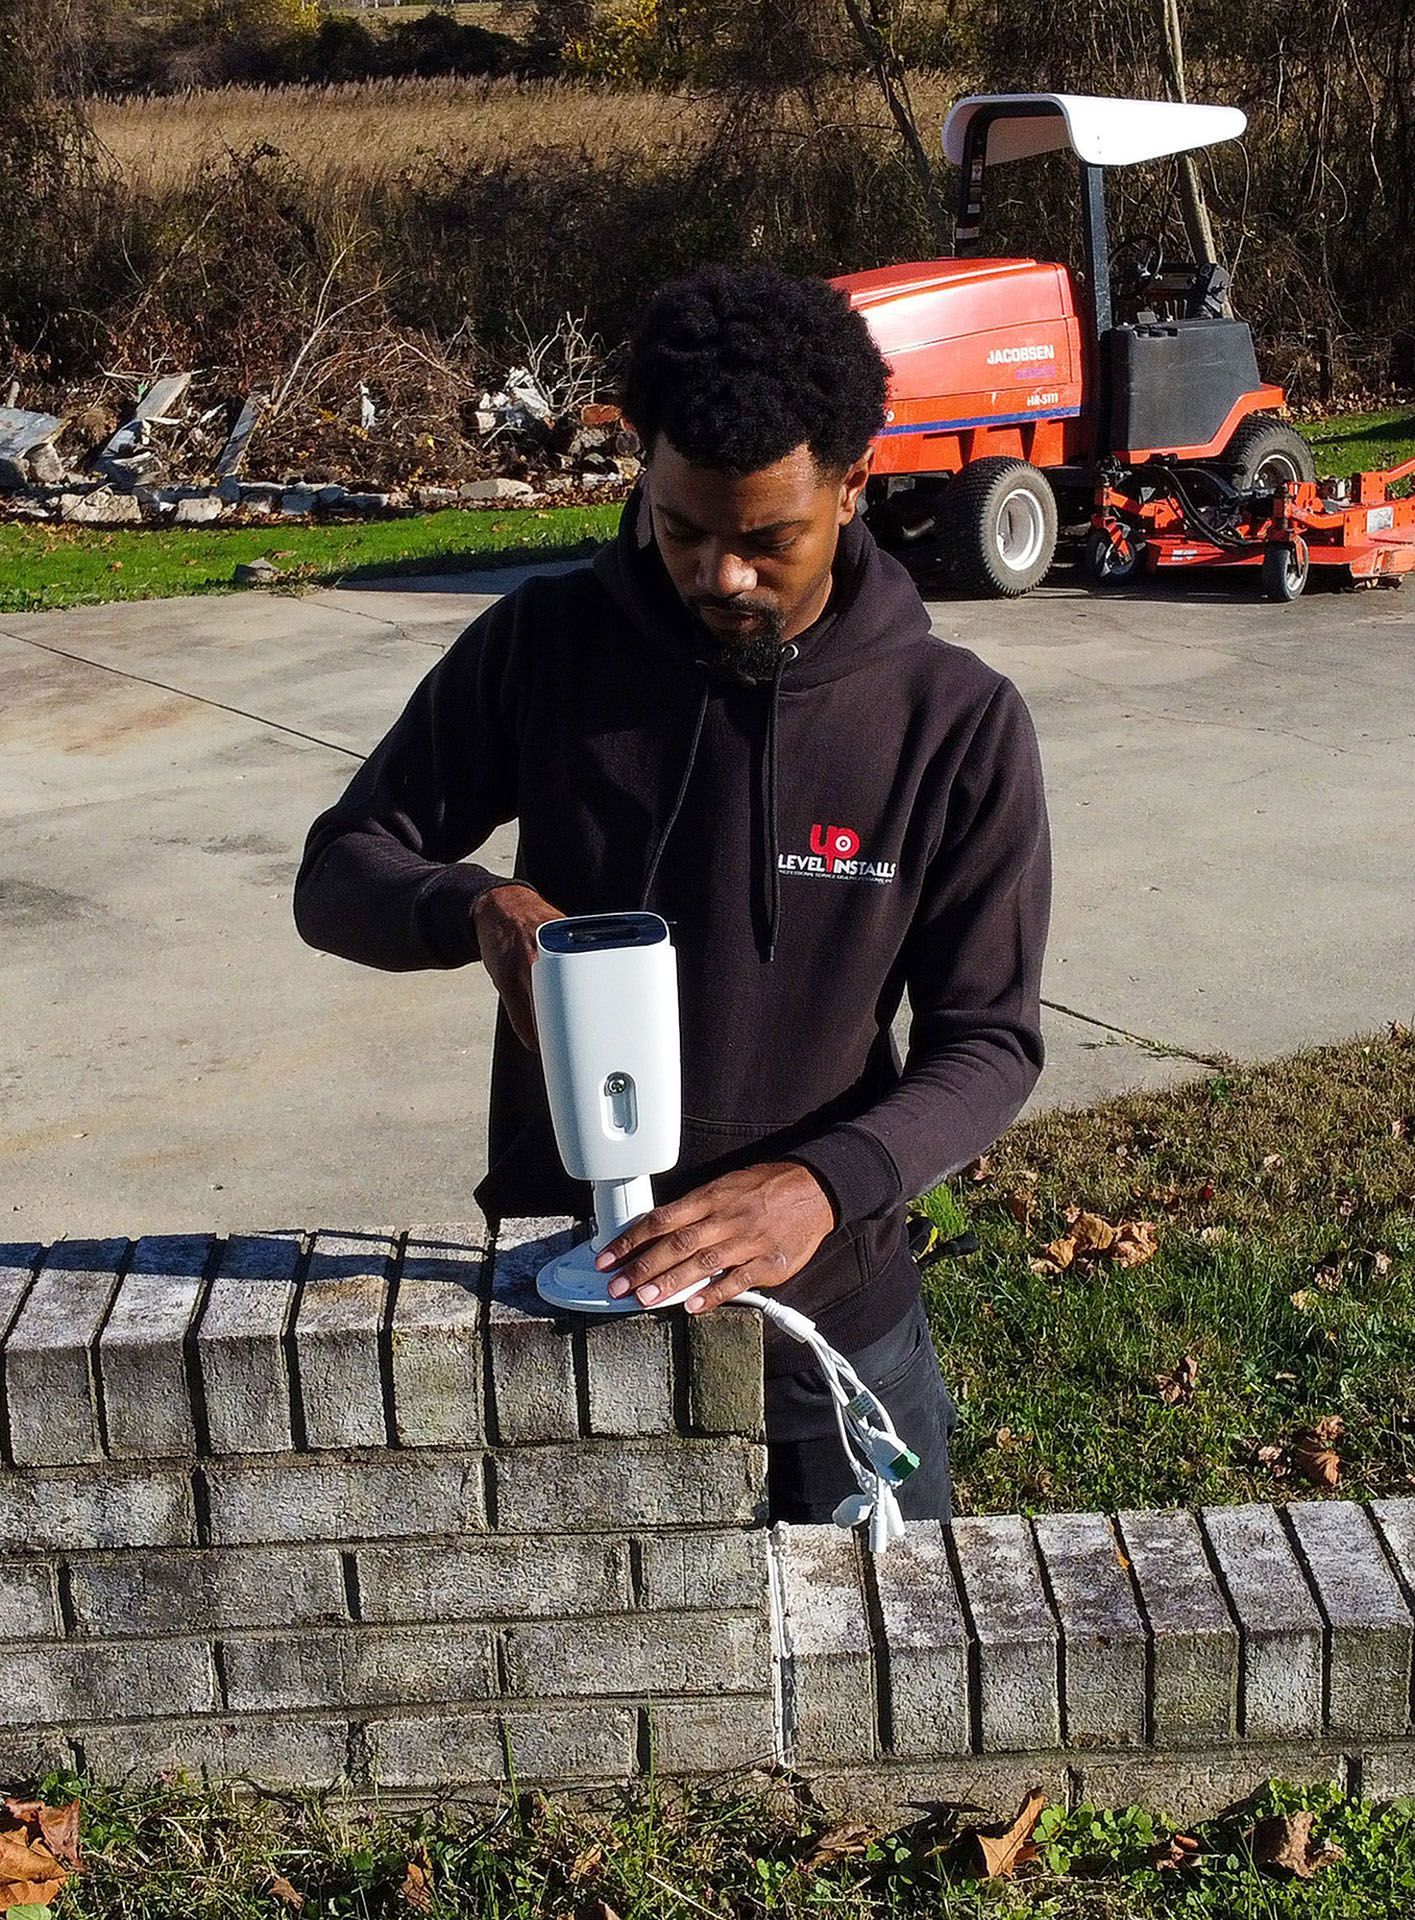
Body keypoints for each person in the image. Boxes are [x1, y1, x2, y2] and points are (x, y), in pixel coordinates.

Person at [293, 264, 1051, 1524]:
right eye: (682, 527)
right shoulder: (543, 649)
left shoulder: (952, 724)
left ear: (853, 486)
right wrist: (473, 907)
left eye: (766, 539)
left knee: (869, 1686)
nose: (720, 575)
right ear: (641, 472)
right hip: (573, 1298)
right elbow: (338, 871)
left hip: (831, 1321)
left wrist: (816, 1188)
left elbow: (988, 1044)